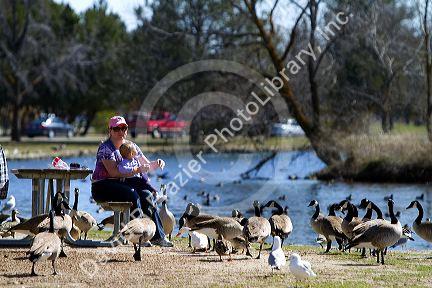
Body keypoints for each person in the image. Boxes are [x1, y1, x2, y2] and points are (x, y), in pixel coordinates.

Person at [91, 115, 173, 247]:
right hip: (103, 186)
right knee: (132, 195)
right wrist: (136, 170)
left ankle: (158, 237)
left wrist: (157, 162)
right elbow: (113, 173)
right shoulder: (106, 148)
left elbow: (146, 166)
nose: (121, 131)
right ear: (110, 130)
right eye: (117, 129)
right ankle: (138, 236)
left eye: (124, 128)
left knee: (146, 195)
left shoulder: (131, 146)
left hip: (123, 184)